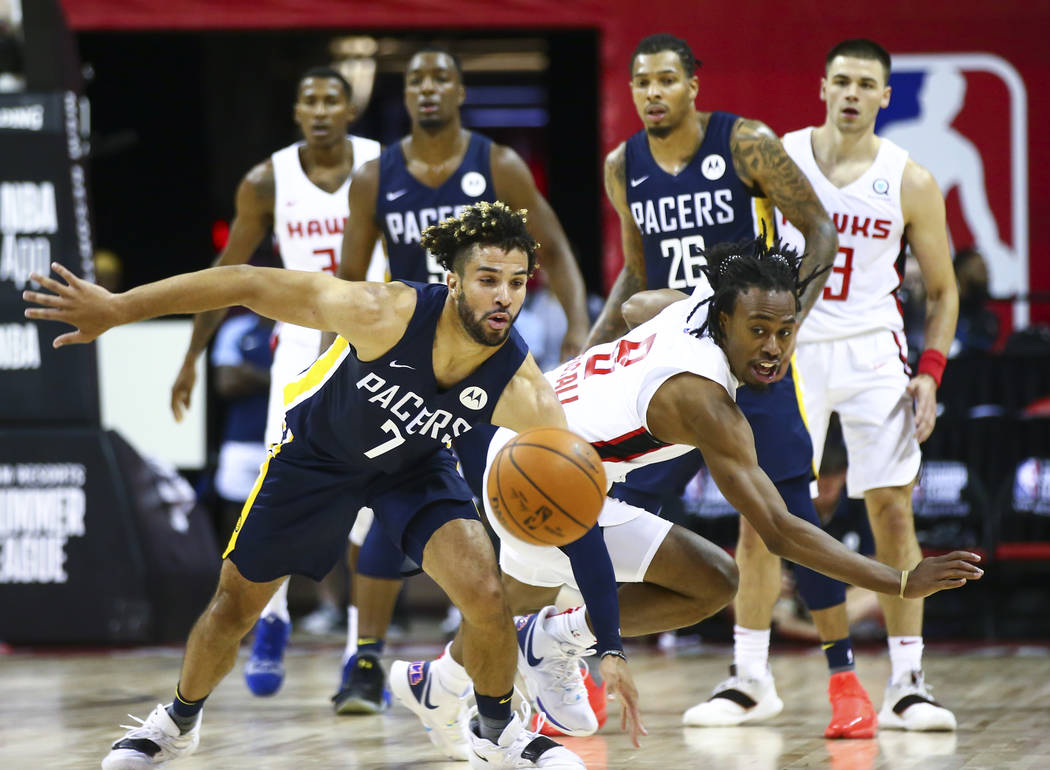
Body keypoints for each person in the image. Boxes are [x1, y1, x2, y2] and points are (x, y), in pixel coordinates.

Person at [27, 202, 588, 770]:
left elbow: (575, 498)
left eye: (516, 283)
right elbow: (243, 282)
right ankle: (175, 723)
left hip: (414, 467)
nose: (504, 297)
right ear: (453, 281)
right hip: (317, 456)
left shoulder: (523, 384)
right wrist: (120, 308)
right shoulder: (383, 311)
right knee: (235, 606)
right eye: (488, 280)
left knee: (485, 592)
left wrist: (605, 639)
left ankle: (497, 734)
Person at [390, 236, 982, 759]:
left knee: (518, 598)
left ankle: (436, 682)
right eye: (758, 332)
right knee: (712, 581)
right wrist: (899, 581)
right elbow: (778, 531)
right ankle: (550, 643)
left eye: (785, 330)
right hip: (535, 477)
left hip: (524, 452)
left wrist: (588, 371)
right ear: (725, 322)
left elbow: (634, 307)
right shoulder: (705, 401)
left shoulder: (694, 305)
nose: (773, 347)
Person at [587, 33, 879, 738]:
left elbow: (817, 231)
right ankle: (587, 659)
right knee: (606, 508)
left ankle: (844, 680)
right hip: (668, 369)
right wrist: (588, 353)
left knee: (791, 517)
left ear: (693, 85)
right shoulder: (623, 165)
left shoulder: (744, 142)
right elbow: (635, 272)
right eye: (641, 83)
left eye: (666, 80)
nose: (652, 93)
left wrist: (785, 328)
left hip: (748, 366)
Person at [319, 44, 592, 714]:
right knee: (391, 511)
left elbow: (552, 248)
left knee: (510, 503)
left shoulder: (496, 164)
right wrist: (332, 361)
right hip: (406, 366)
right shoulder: (374, 175)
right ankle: (364, 660)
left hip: (485, 362)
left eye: (441, 77)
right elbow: (348, 283)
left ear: (461, 90)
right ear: (404, 95)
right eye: (416, 80)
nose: (429, 88)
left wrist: (581, 328)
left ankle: (522, 648)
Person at [734, 38, 957, 733]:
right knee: (763, 510)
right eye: (843, 81)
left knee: (892, 510)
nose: (854, 92)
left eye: (867, 83)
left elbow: (944, 292)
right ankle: (748, 677)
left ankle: (908, 680)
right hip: (789, 346)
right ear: (822, 87)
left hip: (870, 351)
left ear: (886, 96)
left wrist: (929, 373)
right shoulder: (781, 159)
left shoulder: (910, 178)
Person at [166, 66, 383, 697]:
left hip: (373, 338)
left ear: (349, 111)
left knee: (371, 499)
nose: (319, 110)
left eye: (331, 100)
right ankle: (274, 620)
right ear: (296, 111)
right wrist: (192, 354)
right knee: (280, 486)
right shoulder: (267, 180)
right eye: (309, 100)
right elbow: (227, 270)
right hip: (300, 345)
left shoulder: (379, 166)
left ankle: (357, 654)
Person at [952, 246, 999, 354]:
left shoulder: (989, 318)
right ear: (961, 274)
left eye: (986, 269)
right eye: (980, 268)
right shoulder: (952, 317)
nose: (986, 274)